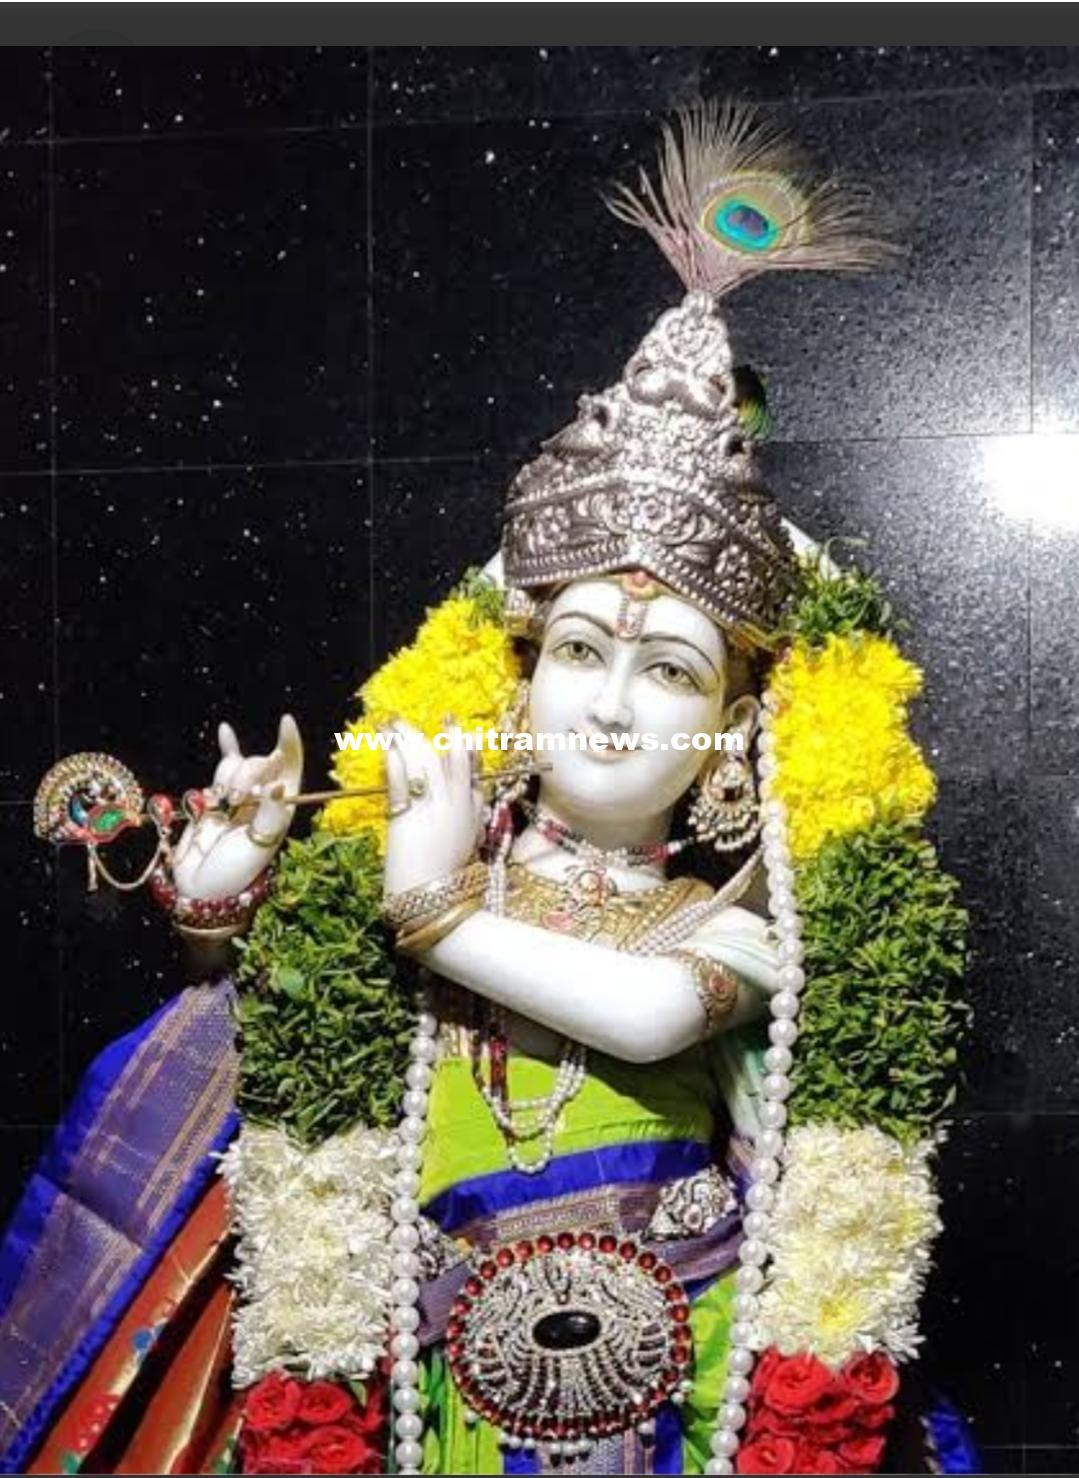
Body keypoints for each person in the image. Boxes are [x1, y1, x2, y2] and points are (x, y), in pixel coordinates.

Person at [0, 102, 976, 1476]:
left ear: (733, 727)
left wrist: (430, 904)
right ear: (518, 684)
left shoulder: (740, 927)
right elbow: (283, 1049)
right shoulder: (446, 859)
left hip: (675, 1396)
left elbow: (646, 1015)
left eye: (669, 669)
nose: (611, 701)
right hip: (439, 1398)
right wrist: (223, 915)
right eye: (578, 651)